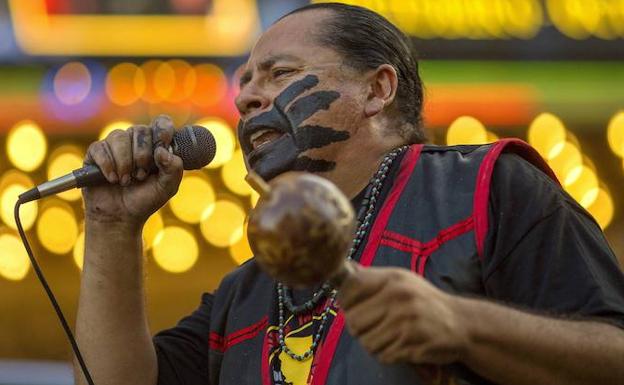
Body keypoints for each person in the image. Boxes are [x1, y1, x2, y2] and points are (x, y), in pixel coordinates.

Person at [74, 3, 624, 385]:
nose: (246, 98)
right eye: (243, 84)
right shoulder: (246, 293)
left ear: (377, 89)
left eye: (278, 73)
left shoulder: (485, 189)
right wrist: (111, 226)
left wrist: (464, 326)